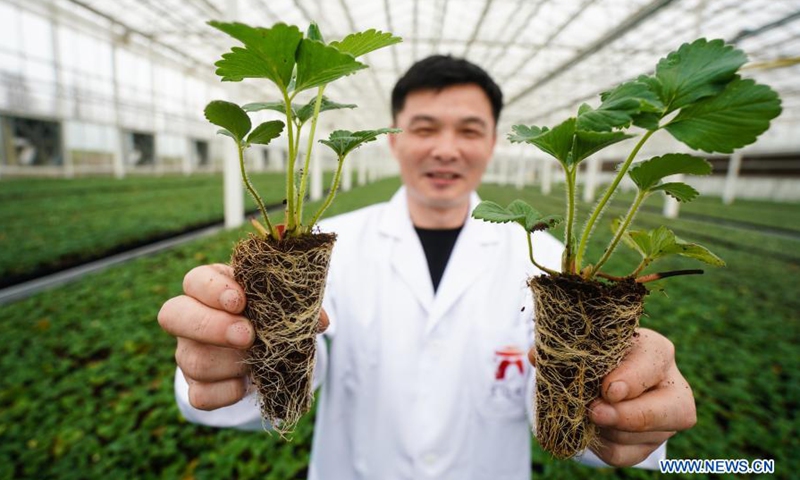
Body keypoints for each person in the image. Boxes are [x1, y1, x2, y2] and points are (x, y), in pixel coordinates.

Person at [158, 55, 696, 479]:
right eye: (423, 128)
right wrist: (220, 357)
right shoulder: (326, 249)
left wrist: (629, 412)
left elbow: (581, 409)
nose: (445, 149)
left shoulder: (554, 266)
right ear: (393, 137)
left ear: (493, 141)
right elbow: (283, 364)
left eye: (468, 130)